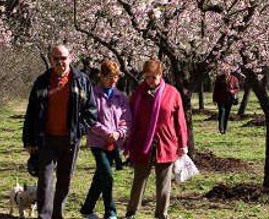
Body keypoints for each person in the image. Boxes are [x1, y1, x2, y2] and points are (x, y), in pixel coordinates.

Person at [22, 44, 97, 219]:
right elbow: (31, 112)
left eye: (63, 58)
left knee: (65, 179)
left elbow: (92, 112)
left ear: (70, 58)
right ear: (50, 60)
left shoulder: (82, 80)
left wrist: (79, 130)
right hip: (46, 138)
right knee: (45, 180)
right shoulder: (41, 82)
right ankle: (44, 216)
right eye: (56, 58)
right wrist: (28, 140)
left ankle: (58, 215)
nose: (60, 62)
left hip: (70, 140)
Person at [124, 58, 188, 219]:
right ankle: (131, 212)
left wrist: (183, 143)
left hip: (166, 143)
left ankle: (161, 214)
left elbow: (180, 120)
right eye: (147, 77)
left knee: (164, 183)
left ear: (161, 74)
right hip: (142, 143)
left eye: (154, 77)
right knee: (139, 180)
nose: (150, 81)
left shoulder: (172, 93)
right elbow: (130, 117)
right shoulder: (139, 93)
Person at [80, 60, 132, 219]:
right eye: (110, 76)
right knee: (107, 175)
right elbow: (90, 119)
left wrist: (119, 133)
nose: (113, 80)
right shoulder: (92, 95)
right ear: (101, 76)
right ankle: (110, 211)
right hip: (98, 142)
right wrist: (106, 133)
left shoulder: (121, 97)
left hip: (115, 142)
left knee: (101, 175)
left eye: (116, 77)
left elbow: (126, 119)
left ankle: (87, 209)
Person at [212, 69, 240, 134]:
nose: (227, 72)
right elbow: (215, 89)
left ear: (230, 71)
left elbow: (237, 88)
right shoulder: (219, 78)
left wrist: (233, 91)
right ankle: (220, 128)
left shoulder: (234, 79)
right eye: (225, 71)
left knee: (227, 114)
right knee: (221, 112)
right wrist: (214, 99)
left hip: (229, 99)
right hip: (220, 99)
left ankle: (225, 129)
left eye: (228, 71)